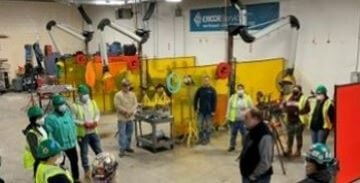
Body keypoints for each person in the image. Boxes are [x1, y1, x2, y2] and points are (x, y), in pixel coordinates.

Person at [44, 95, 80, 183]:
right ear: (55, 106)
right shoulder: (50, 119)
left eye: (63, 103)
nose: (63, 106)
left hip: (71, 145)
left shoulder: (68, 114)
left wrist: (76, 137)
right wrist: (55, 148)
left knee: (74, 162)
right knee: (59, 165)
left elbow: (73, 127)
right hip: (60, 147)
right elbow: (50, 135)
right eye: (60, 104)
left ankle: (76, 179)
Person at [71, 84, 102, 179]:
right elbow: (72, 119)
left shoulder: (92, 102)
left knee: (99, 151)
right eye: (83, 94)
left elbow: (97, 113)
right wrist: (83, 123)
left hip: (93, 132)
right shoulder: (75, 106)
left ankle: (101, 167)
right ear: (79, 94)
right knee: (84, 153)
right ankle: (87, 171)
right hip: (83, 134)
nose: (85, 95)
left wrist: (96, 121)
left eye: (86, 94)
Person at [240, 108, 274, 183]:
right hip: (248, 175)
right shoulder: (252, 130)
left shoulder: (264, 135)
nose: (244, 120)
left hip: (258, 179)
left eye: (246, 117)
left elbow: (265, 162)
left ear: (255, 119)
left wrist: (253, 176)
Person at [283, 85, 310, 157]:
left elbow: (308, 109)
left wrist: (299, 112)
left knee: (298, 136)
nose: (294, 91)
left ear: (300, 91)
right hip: (289, 120)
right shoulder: (289, 97)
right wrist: (285, 109)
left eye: (296, 90)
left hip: (299, 120)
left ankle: (298, 151)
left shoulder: (304, 98)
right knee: (290, 136)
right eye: (294, 89)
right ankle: (289, 150)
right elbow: (284, 105)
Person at [114, 79, 138, 157]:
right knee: (122, 134)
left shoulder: (132, 94)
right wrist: (125, 112)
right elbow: (117, 105)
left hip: (130, 118)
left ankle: (127, 147)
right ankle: (122, 149)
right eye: (125, 86)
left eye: (128, 86)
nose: (127, 87)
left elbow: (135, 104)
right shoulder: (118, 95)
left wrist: (131, 112)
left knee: (129, 133)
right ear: (122, 86)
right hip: (122, 118)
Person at [226, 84, 253, 152]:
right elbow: (229, 107)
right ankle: (232, 146)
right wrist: (227, 116)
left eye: (241, 89)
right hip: (234, 119)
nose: (240, 90)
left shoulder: (247, 98)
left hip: (244, 120)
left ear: (243, 90)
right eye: (238, 89)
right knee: (233, 134)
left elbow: (251, 107)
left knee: (244, 134)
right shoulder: (232, 97)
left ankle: (244, 147)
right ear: (236, 90)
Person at [23, 105, 48, 176]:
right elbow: (35, 151)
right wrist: (44, 161)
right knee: (39, 176)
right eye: (40, 117)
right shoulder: (31, 133)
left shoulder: (41, 127)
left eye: (42, 116)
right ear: (34, 119)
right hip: (37, 159)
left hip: (44, 154)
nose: (42, 119)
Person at [194, 75, 217, 145]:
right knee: (199, 125)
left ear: (209, 81)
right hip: (201, 111)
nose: (205, 82)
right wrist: (195, 108)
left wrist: (213, 110)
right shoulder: (199, 89)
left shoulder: (212, 90)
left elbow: (214, 101)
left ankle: (207, 139)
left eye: (207, 80)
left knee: (208, 126)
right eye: (204, 80)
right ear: (202, 81)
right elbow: (195, 99)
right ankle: (200, 139)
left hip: (209, 112)